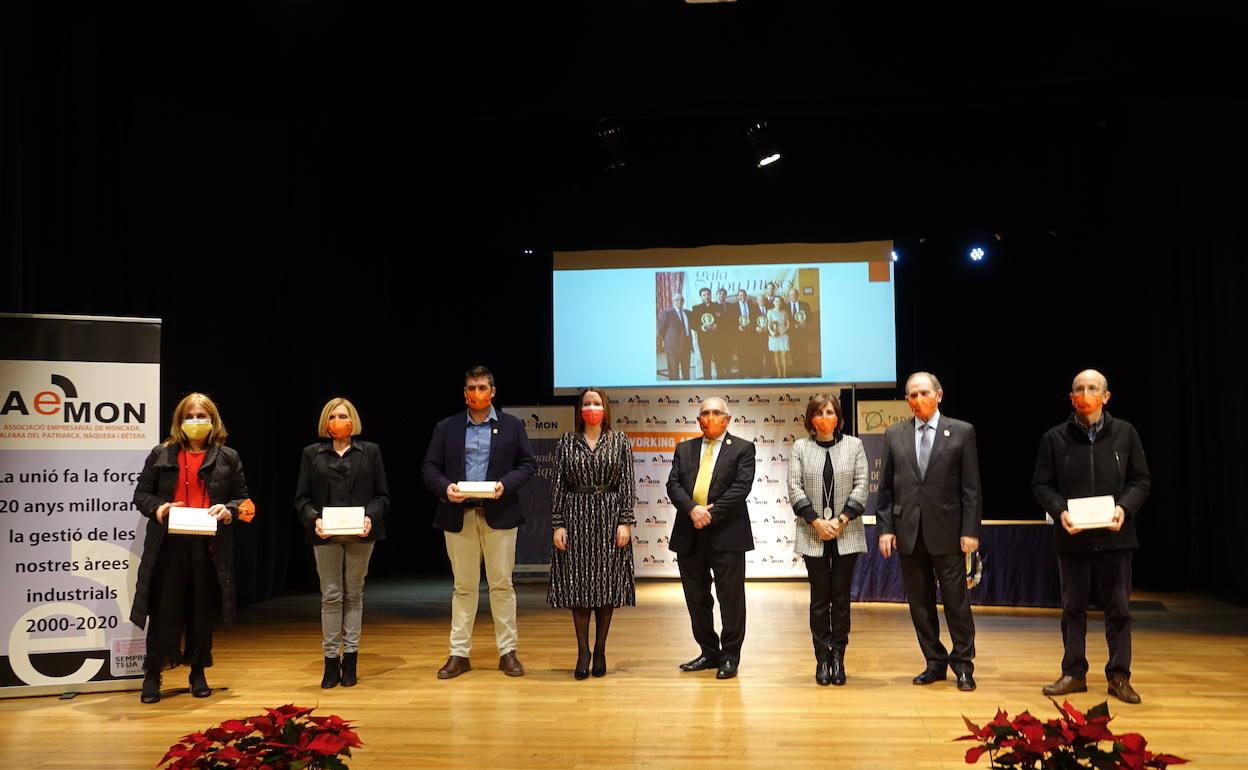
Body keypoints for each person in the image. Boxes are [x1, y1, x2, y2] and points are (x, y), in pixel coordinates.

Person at [1032, 369, 1151, 704]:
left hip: (1116, 536)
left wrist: (1124, 508)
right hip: (1073, 537)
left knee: (1119, 609)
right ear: (1071, 397)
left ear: (1106, 396)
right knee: (1072, 608)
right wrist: (1060, 511)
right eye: (1079, 389)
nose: (1086, 394)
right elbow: (1041, 485)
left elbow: (1141, 480)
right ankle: (1074, 673)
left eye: (1093, 388)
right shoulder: (1054, 438)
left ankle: (1119, 676)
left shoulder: (1125, 433)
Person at [131, 392, 248, 704]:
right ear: (179, 421)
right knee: (163, 611)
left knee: (199, 612)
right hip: (169, 545)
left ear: (213, 421)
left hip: (207, 546)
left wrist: (229, 510)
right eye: (189, 416)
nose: (195, 422)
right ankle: (152, 673)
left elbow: (241, 498)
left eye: (201, 416)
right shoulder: (162, 453)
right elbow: (141, 495)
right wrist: (159, 507)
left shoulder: (228, 457)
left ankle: (198, 672)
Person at [422, 366, 537, 679]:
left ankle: (507, 652)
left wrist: (505, 485)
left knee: (502, 585)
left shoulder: (512, 426)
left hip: (500, 514)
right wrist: (445, 488)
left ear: (493, 392)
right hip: (458, 515)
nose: (477, 393)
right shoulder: (447, 427)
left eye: (482, 387)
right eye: (471, 388)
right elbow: (430, 467)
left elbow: (527, 464)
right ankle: (459, 654)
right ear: (464, 393)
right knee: (464, 587)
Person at [876, 372, 982, 691]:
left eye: (923, 393)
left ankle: (963, 665)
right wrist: (885, 529)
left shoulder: (962, 432)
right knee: (920, 605)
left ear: (939, 395)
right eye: (912, 394)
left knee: (956, 603)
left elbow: (971, 489)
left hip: (948, 533)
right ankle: (934, 662)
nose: (917, 399)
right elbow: (886, 488)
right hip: (909, 532)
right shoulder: (894, 434)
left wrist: (970, 531)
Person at [295, 397, 390, 689]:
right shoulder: (312, 453)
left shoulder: (370, 451)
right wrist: (314, 520)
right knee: (331, 596)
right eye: (333, 416)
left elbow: (382, 496)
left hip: (361, 534)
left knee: (354, 595)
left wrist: (370, 517)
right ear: (325, 422)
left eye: (344, 416)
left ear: (353, 420)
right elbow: (301, 498)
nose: (339, 421)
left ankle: (350, 659)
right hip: (326, 534)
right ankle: (330, 661)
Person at [547, 387, 636, 679]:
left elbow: (627, 483)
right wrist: (558, 524)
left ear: (605, 408)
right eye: (587, 403)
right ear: (580, 409)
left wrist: (625, 521)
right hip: (575, 517)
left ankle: (600, 649)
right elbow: (558, 484)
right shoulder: (566, 442)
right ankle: (582, 651)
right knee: (579, 587)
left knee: (606, 586)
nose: (592, 408)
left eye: (596, 403)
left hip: (610, 518)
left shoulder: (619, 440)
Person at [667, 397, 756, 679]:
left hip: (727, 534)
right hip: (689, 533)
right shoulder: (684, 449)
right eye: (704, 413)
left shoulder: (743, 448)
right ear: (698, 420)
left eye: (715, 412)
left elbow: (741, 488)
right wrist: (692, 510)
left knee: (731, 599)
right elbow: (673, 484)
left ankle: (730, 656)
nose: (708, 417)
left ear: (727, 419)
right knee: (697, 598)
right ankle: (708, 652)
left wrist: (710, 514)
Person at [788, 393, 868, 686]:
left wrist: (840, 519)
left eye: (830, 412)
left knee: (841, 599)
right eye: (819, 413)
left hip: (846, 531)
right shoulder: (800, 447)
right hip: (813, 532)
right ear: (811, 419)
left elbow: (862, 486)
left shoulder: (854, 445)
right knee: (820, 599)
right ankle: (822, 658)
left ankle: (838, 657)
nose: (825, 418)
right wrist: (817, 521)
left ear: (838, 417)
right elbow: (794, 487)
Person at [658, 292, 694, 381]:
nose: (679, 301)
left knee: (686, 373)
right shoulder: (667, 313)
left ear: (684, 301)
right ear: (672, 301)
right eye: (677, 300)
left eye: (681, 300)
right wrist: (669, 340)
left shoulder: (688, 313)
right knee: (674, 374)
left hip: (686, 347)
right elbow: (661, 329)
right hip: (672, 348)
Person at [691, 287, 723, 380]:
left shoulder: (718, 306)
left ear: (711, 295)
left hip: (717, 340)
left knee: (719, 362)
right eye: (704, 295)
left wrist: (717, 326)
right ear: (701, 296)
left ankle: (721, 382)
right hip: (704, 340)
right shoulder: (696, 308)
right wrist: (701, 328)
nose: (706, 297)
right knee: (706, 363)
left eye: (708, 294)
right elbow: (693, 324)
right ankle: (708, 382)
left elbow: (724, 321)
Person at [786, 288, 813, 376]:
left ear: (798, 295)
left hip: (803, 333)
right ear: (789, 296)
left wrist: (806, 322)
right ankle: (796, 371)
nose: (793, 296)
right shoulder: (785, 307)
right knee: (793, 353)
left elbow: (810, 317)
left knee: (804, 352)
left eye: (795, 294)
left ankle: (805, 371)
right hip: (791, 334)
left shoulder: (805, 305)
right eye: (791, 295)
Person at [767, 296, 790, 379]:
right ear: (773, 302)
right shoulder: (770, 311)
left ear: (781, 302)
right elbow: (768, 324)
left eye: (779, 301)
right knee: (776, 355)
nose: (778, 303)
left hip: (783, 335)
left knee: (783, 355)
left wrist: (783, 332)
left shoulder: (784, 312)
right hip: (774, 336)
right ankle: (779, 372)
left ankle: (785, 373)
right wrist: (771, 332)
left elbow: (788, 324)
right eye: (776, 301)